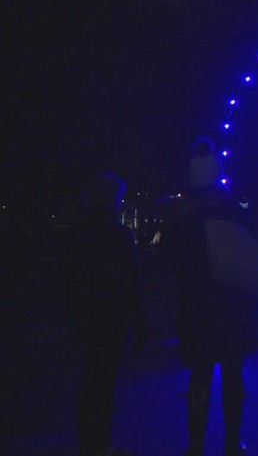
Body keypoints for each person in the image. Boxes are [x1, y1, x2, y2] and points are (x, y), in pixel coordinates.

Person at [161, 138, 258, 456]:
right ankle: (233, 439)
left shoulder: (179, 216)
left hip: (195, 307)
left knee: (199, 375)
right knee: (233, 374)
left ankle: (195, 443)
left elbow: (165, 263)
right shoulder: (232, 211)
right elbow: (253, 252)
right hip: (231, 306)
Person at [64, 172, 147, 456]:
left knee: (91, 381)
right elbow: (130, 283)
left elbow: (69, 280)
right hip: (112, 319)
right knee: (105, 384)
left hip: (87, 318)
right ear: (112, 199)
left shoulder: (78, 233)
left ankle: (90, 443)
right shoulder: (118, 235)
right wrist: (140, 324)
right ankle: (100, 445)